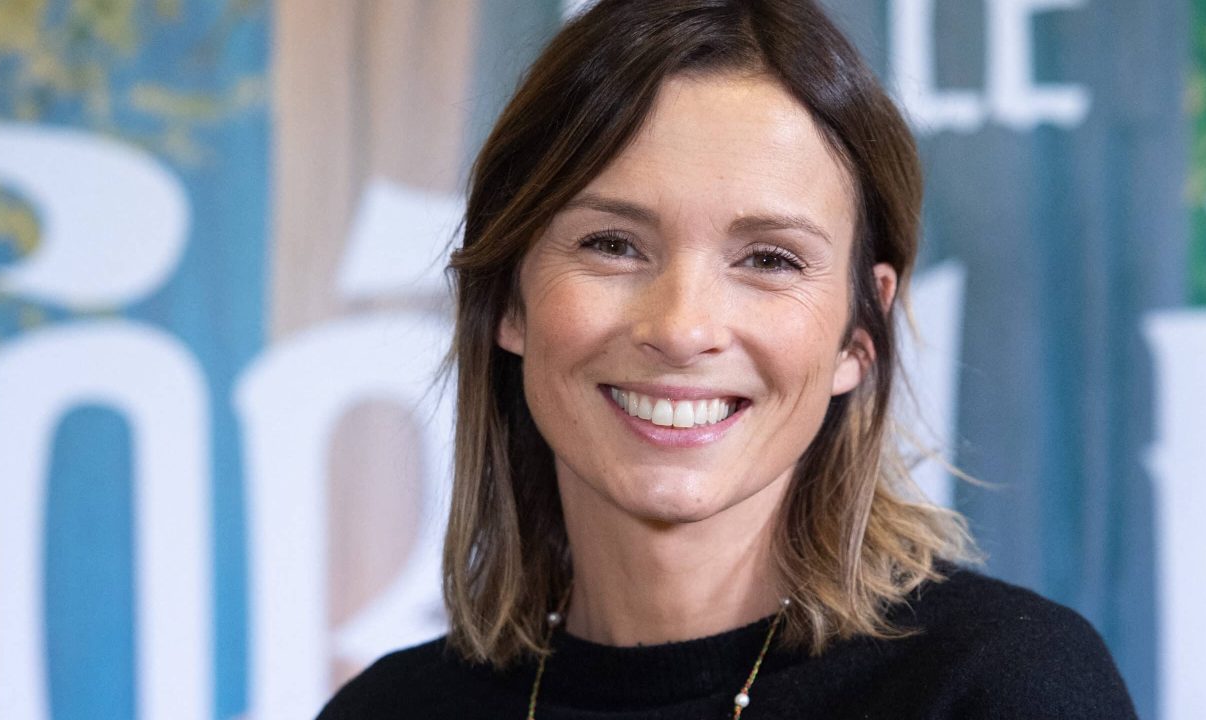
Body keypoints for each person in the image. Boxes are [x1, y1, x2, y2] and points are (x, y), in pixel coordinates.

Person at [318, 0, 1137, 717]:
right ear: (508, 299)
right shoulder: (386, 712)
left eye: (770, 259)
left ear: (860, 332)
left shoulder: (1001, 688)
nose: (682, 328)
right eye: (612, 244)